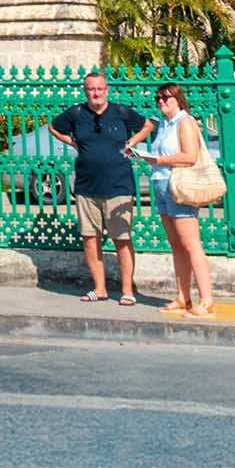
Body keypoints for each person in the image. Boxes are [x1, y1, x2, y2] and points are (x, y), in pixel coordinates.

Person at [48, 72, 153, 303]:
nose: (96, 93)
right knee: (90, 238)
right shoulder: (76, 113)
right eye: (91, 89)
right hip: (87, 187)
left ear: (107, 90)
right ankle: (100, 289)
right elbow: (54, 128)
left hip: (119, 185)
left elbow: (147, 125)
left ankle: (127, 291)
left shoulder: (121, 112)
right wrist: (73, 142)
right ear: (85, 91)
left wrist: (131, 143)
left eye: (100, 89)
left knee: (122, 239)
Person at [133, 82, 216, 318]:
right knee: (176, 245)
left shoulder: (185, 122)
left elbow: (190, 156)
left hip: (178, 184)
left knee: (191, 245)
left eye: (166, 98)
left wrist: (158, 159)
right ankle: (183, 296)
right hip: (161, 184)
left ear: (178, 99)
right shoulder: (165, 125)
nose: (161, 102)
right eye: (158, 98)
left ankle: (207, 299)